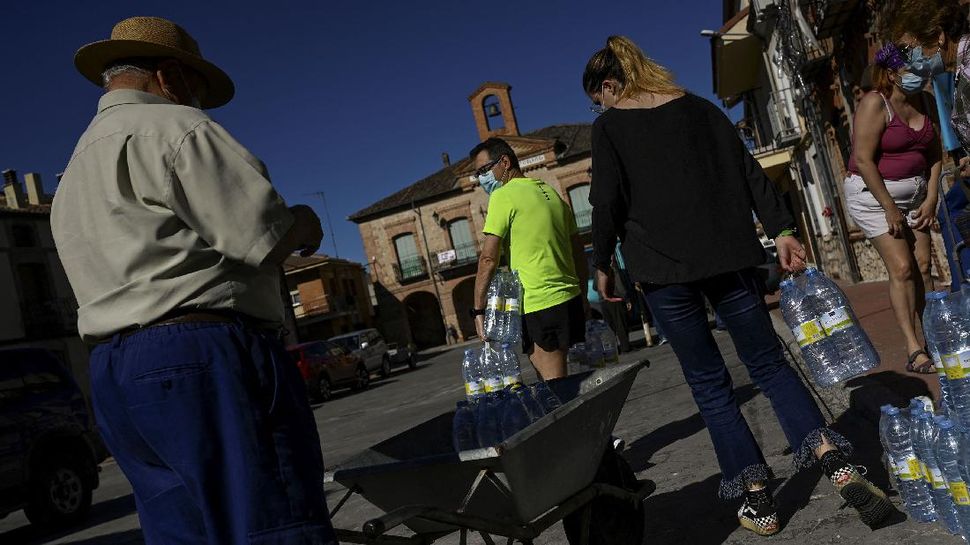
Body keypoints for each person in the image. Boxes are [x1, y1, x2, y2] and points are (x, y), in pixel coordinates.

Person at [583, 36, 895, 535]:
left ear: (609, 84)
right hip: (730, 258)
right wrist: (783, 229)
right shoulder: (702, 110)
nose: (598, 106)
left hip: (663, 272)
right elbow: (748, 172)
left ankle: (758, 501)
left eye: (596, 97)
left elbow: (606, 202)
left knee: (711, 386)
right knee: (770, 364)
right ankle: (833, 458)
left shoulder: (610, 126)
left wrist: (602, 264)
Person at [51, 17, 336, 544]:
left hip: (116, 373)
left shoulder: (73, 171)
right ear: (171, 78)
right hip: (203, 354)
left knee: (185, 533)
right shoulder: (175, 128)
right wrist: (303, 221)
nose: (198, 103)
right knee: (271, 524)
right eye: (197, 90)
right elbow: (264, 237)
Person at [844, 35, 943, 374]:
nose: (919, 71)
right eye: (912, 66)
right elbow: (863, 159)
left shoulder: (926, 101)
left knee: (923, 264)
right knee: (901, 267)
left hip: (915, 197)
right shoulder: (876, 103)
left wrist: (931, 199)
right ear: (892, 72)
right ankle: (914, 348)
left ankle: (934, 338)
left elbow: (934, 156)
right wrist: (888, 207)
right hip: (873, 197)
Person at [470, 138, 588, 379]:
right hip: (569, 299)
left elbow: (488, 260)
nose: (480, 178)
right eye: (477, 174)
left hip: (539, 303)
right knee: (562, 380)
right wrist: (583, 294)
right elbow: (577, 249)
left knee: (556, 389)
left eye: (483, 170)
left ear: (504, 162)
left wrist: (478, 311)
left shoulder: (503, 196)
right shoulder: (550, 193)